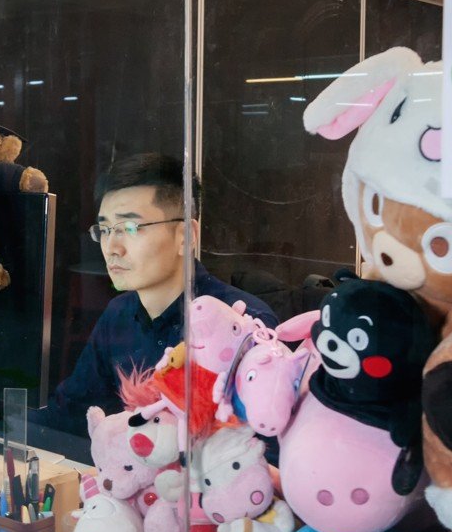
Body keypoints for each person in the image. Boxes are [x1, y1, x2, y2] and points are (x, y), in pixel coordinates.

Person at [33, 153, 278, 444]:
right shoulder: (119, 315)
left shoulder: (241, 323)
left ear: (186, 235)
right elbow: (70, 412)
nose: (112, 247)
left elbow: (262, 453)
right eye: (106, 229)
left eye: (130, 228)